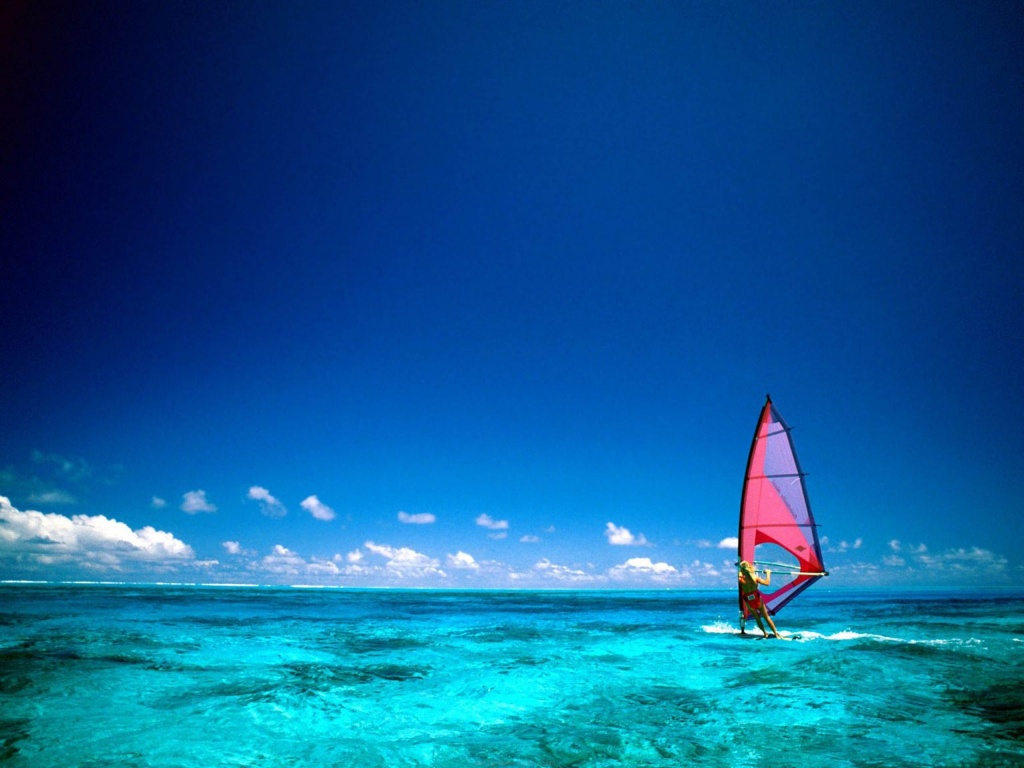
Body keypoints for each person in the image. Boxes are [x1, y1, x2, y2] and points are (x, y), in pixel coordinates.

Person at [738, 561, 780, 638]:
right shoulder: (755, 578)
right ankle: (776, 634)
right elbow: (767, 583)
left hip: (749, 602)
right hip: (757, 600)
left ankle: (764, 633)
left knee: (757, 618)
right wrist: (768, 573)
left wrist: (741, 567)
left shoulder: (741, 580)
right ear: (749, 568)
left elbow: (740, 573)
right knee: (766, 617)